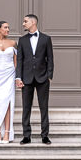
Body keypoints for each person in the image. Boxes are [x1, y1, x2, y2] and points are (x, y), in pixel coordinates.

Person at [15, 14, 53, 144]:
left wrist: (49, 76)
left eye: (25, 21)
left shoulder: (46, 39)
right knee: (26, 108)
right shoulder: (22, 40)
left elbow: (50, 58)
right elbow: (19, 60)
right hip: (26, 79)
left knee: (44, 108)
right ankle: (26, 136)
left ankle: (45, 136)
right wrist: (18, 77)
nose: (23, 24)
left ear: (33, 22)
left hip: (43, 78)